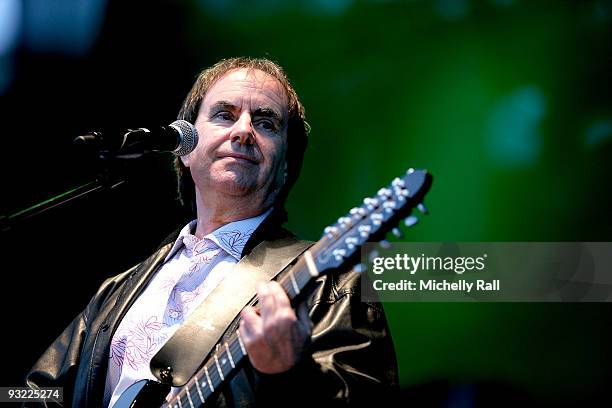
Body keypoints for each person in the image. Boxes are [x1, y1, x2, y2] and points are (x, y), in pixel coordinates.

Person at [25, 57, 398, 407]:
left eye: (266, 123)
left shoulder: (330, 280)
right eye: (224, 115)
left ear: (287, 165)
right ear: (185, 148)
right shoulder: (117, 289)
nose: (244, 131)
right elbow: (35, 393)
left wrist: (291, 373)